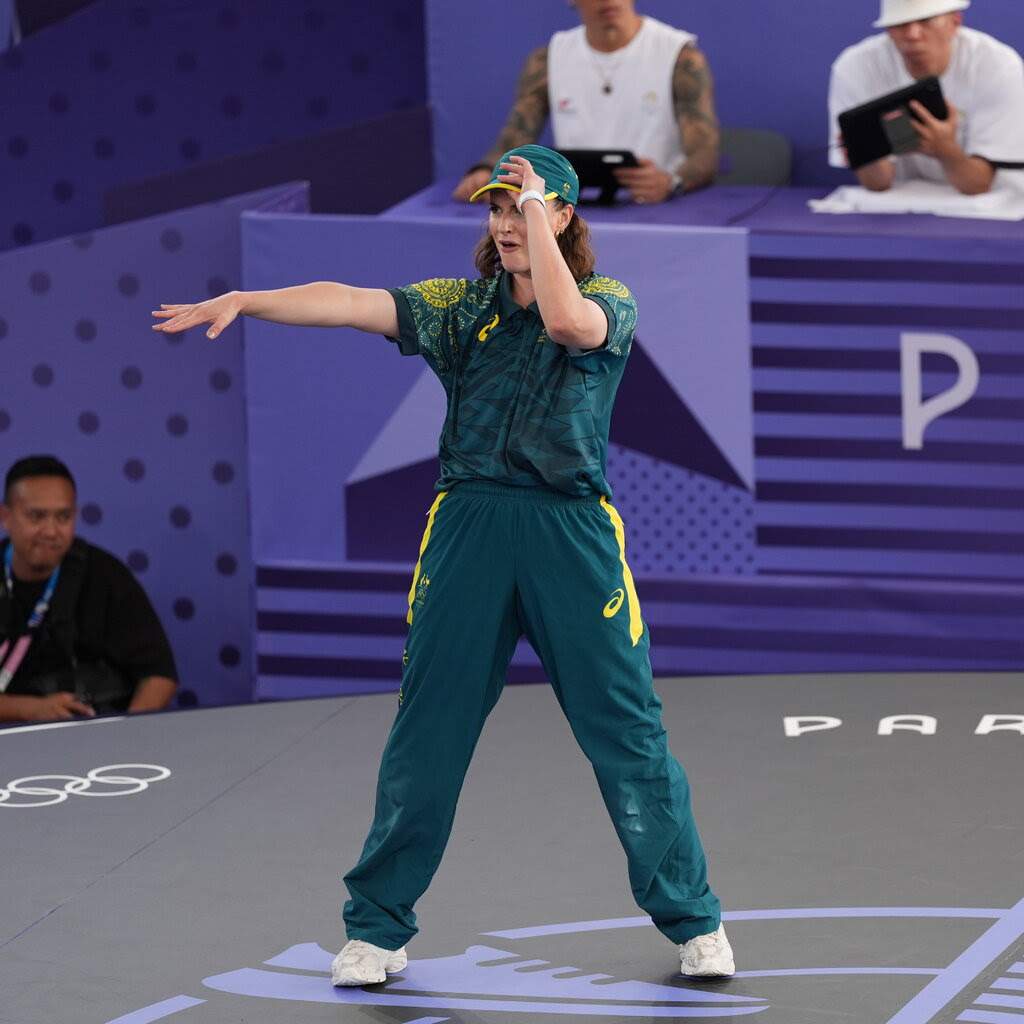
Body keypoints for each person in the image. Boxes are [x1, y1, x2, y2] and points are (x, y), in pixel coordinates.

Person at [152, 144, 735, 987]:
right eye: (496, 208)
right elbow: (349, 302)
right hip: (468, 525)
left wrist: (539, 213)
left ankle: (694, 920)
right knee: (429, 733)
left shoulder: (609, 301)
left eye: (523, 206)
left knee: (626, 734)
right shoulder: (459, 310)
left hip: (570, 534)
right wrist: (249, 299)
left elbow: (569, 326)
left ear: (564, 217)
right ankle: (376, 928)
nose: (504, 221)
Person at [451, 1, 718, 205]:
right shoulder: (547, 60)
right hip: (574, 208)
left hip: (657, 206)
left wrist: (671, 182)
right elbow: (517, 132)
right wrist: (487, 169)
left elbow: (705, 151)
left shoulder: (680, 56)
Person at [0, 455, 179, 723]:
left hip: (88, 741)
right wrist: (32, 710)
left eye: (63, 516)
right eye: (36, 516)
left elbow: (160, 676)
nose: (50, 531)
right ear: (6, 517)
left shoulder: (105, 575)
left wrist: (123, 739)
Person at [828, 0, 1024, 194]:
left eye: (927, 20)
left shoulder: (998, 66)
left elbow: (979, 185)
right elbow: (877, 184)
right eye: (900, 24)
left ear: (954, 22)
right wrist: (864, 154)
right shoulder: (855, 67)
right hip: (902, 209)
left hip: (991, 209)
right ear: (887, 30)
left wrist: (946, 151)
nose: (912, 35)